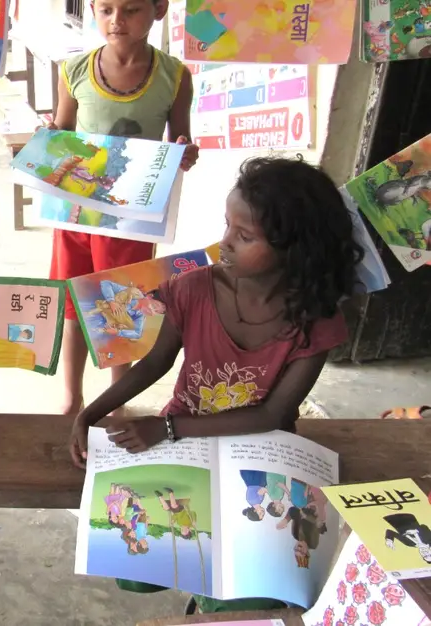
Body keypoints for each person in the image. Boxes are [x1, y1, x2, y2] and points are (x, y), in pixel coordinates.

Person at [69, 156, 364, 614]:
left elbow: (271, 415)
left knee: (257, 586)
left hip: (261, 452)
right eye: (227, 225)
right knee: (142, 543)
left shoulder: (315, 319)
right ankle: (204, 600)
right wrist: (87, 413)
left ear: (296, 250)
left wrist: (167, 429)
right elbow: (155, 363)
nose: (224, 242)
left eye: (244, 236)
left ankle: (212, 606)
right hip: (186, 443)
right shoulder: (192, 289)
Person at [47, 0, 200, 415]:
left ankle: (118, 399)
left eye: (131, 9)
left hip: (131, 217)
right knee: (75, 303)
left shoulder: (174, 77)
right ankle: (72, 393)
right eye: (106, 9)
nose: (117, 21)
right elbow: (61, 130)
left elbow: (180, 139)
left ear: (159, 10)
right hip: (75, 213)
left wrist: (184, 152)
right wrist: (48, 135)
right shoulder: (73, 70)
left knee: (121, 307)